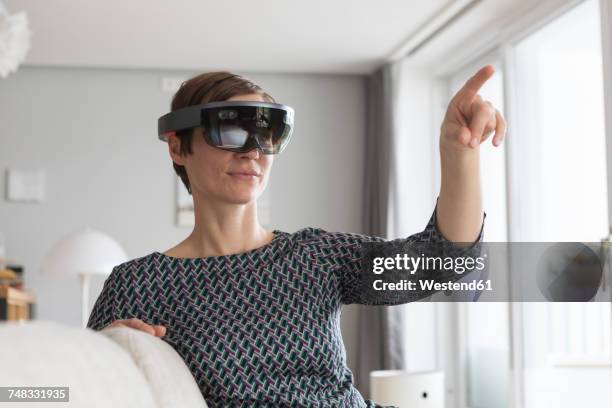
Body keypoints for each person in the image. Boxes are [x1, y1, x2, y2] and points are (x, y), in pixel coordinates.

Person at [87, 67, 505, 407]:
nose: (252, 151)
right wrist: (109, 356)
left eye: (266, 134)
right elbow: (72, 391)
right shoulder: (138, 284)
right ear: (178, 148)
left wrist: (459, 152)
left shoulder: (314, 254)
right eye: (232, 132)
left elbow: (442, 263)